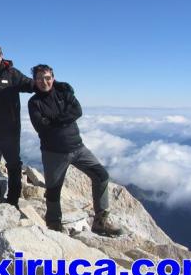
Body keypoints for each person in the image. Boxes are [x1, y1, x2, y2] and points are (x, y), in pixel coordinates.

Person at [0, 44, 70, 208]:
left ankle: (13, 197)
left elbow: (34, 85)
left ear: (2, 55)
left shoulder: (12, 74)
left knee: (13, 164)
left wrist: (57, 86)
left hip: (10, 129)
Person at [28, 64, 123, 236]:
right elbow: (41, 126)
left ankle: (101, 221)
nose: (44, 82)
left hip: (78, 148)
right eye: (40, 78)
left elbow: (77, 111)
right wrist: (63, 118)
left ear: (53, 78)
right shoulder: (34, 102)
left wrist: (54, 120)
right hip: (54, 152)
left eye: (48, 78)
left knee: (101, 175)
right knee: (53, 191)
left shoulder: (64, 92)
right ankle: (54, 227)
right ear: (35, 81)